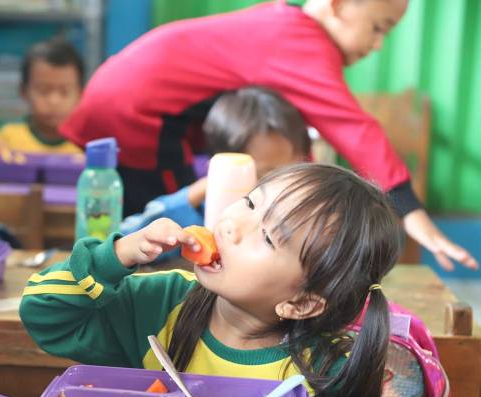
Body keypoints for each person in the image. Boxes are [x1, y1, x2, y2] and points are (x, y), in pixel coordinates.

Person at [21, 163, 439, 397]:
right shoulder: (163, 303)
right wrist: (117, 256)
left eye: (268, 238)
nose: (231, 224)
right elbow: (44, 312)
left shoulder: (327, 366)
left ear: (301, 302)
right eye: (250, 203)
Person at [60, 0, 476, 271]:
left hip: (127, 100)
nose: (379, 44)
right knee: (169, 237)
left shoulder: (285, 28)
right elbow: (352, 126)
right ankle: (137, 301)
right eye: (378, 27)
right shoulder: (302, 41)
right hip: (134, 113)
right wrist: (410, 210)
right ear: (339, 5)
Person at [121, 86, 310, 235]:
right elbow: (127, 236)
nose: (278, 185)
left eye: (291, 170)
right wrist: (194, 194)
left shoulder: (303, 210)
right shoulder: (208, 210)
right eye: (262, 175)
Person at [0, 38, 84, 170]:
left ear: (81, 93)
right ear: (23, 91)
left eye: (64, 92)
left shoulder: (87, 146)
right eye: (43, 91)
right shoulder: (6, 141)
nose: (54, 101)